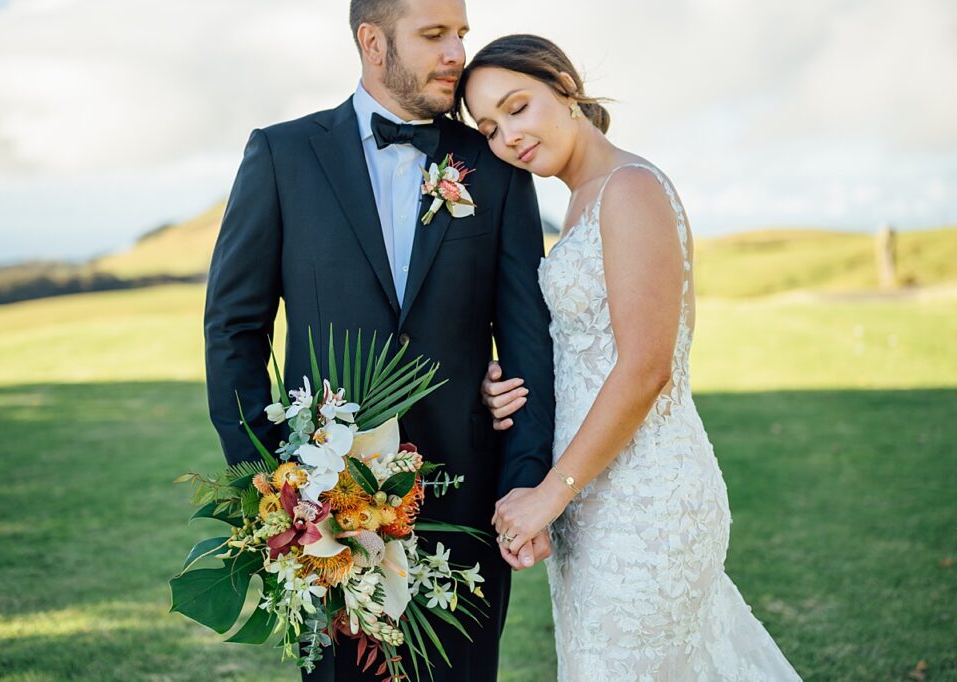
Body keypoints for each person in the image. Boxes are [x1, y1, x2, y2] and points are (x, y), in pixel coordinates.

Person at [203, 3, 555, 680]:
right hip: (325, 518)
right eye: (434, 36)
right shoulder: (281, 155)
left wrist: (524, 482)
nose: (457, 51)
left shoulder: (496, 164)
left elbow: (526, 337)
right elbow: (233, 327)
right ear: (373, 41)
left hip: (465, 508)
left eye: (460, 34)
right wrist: (275, 483)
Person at [462, 34, 802, 680]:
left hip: (646, 508)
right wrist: (498, 386)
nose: (507, 135)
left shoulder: (631, 188)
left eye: (517, 106)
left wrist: (549, 496)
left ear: (564, 85)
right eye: (488, 127)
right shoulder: (580, 202)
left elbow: (647, 366)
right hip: (591, 504)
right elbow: (582, 354)